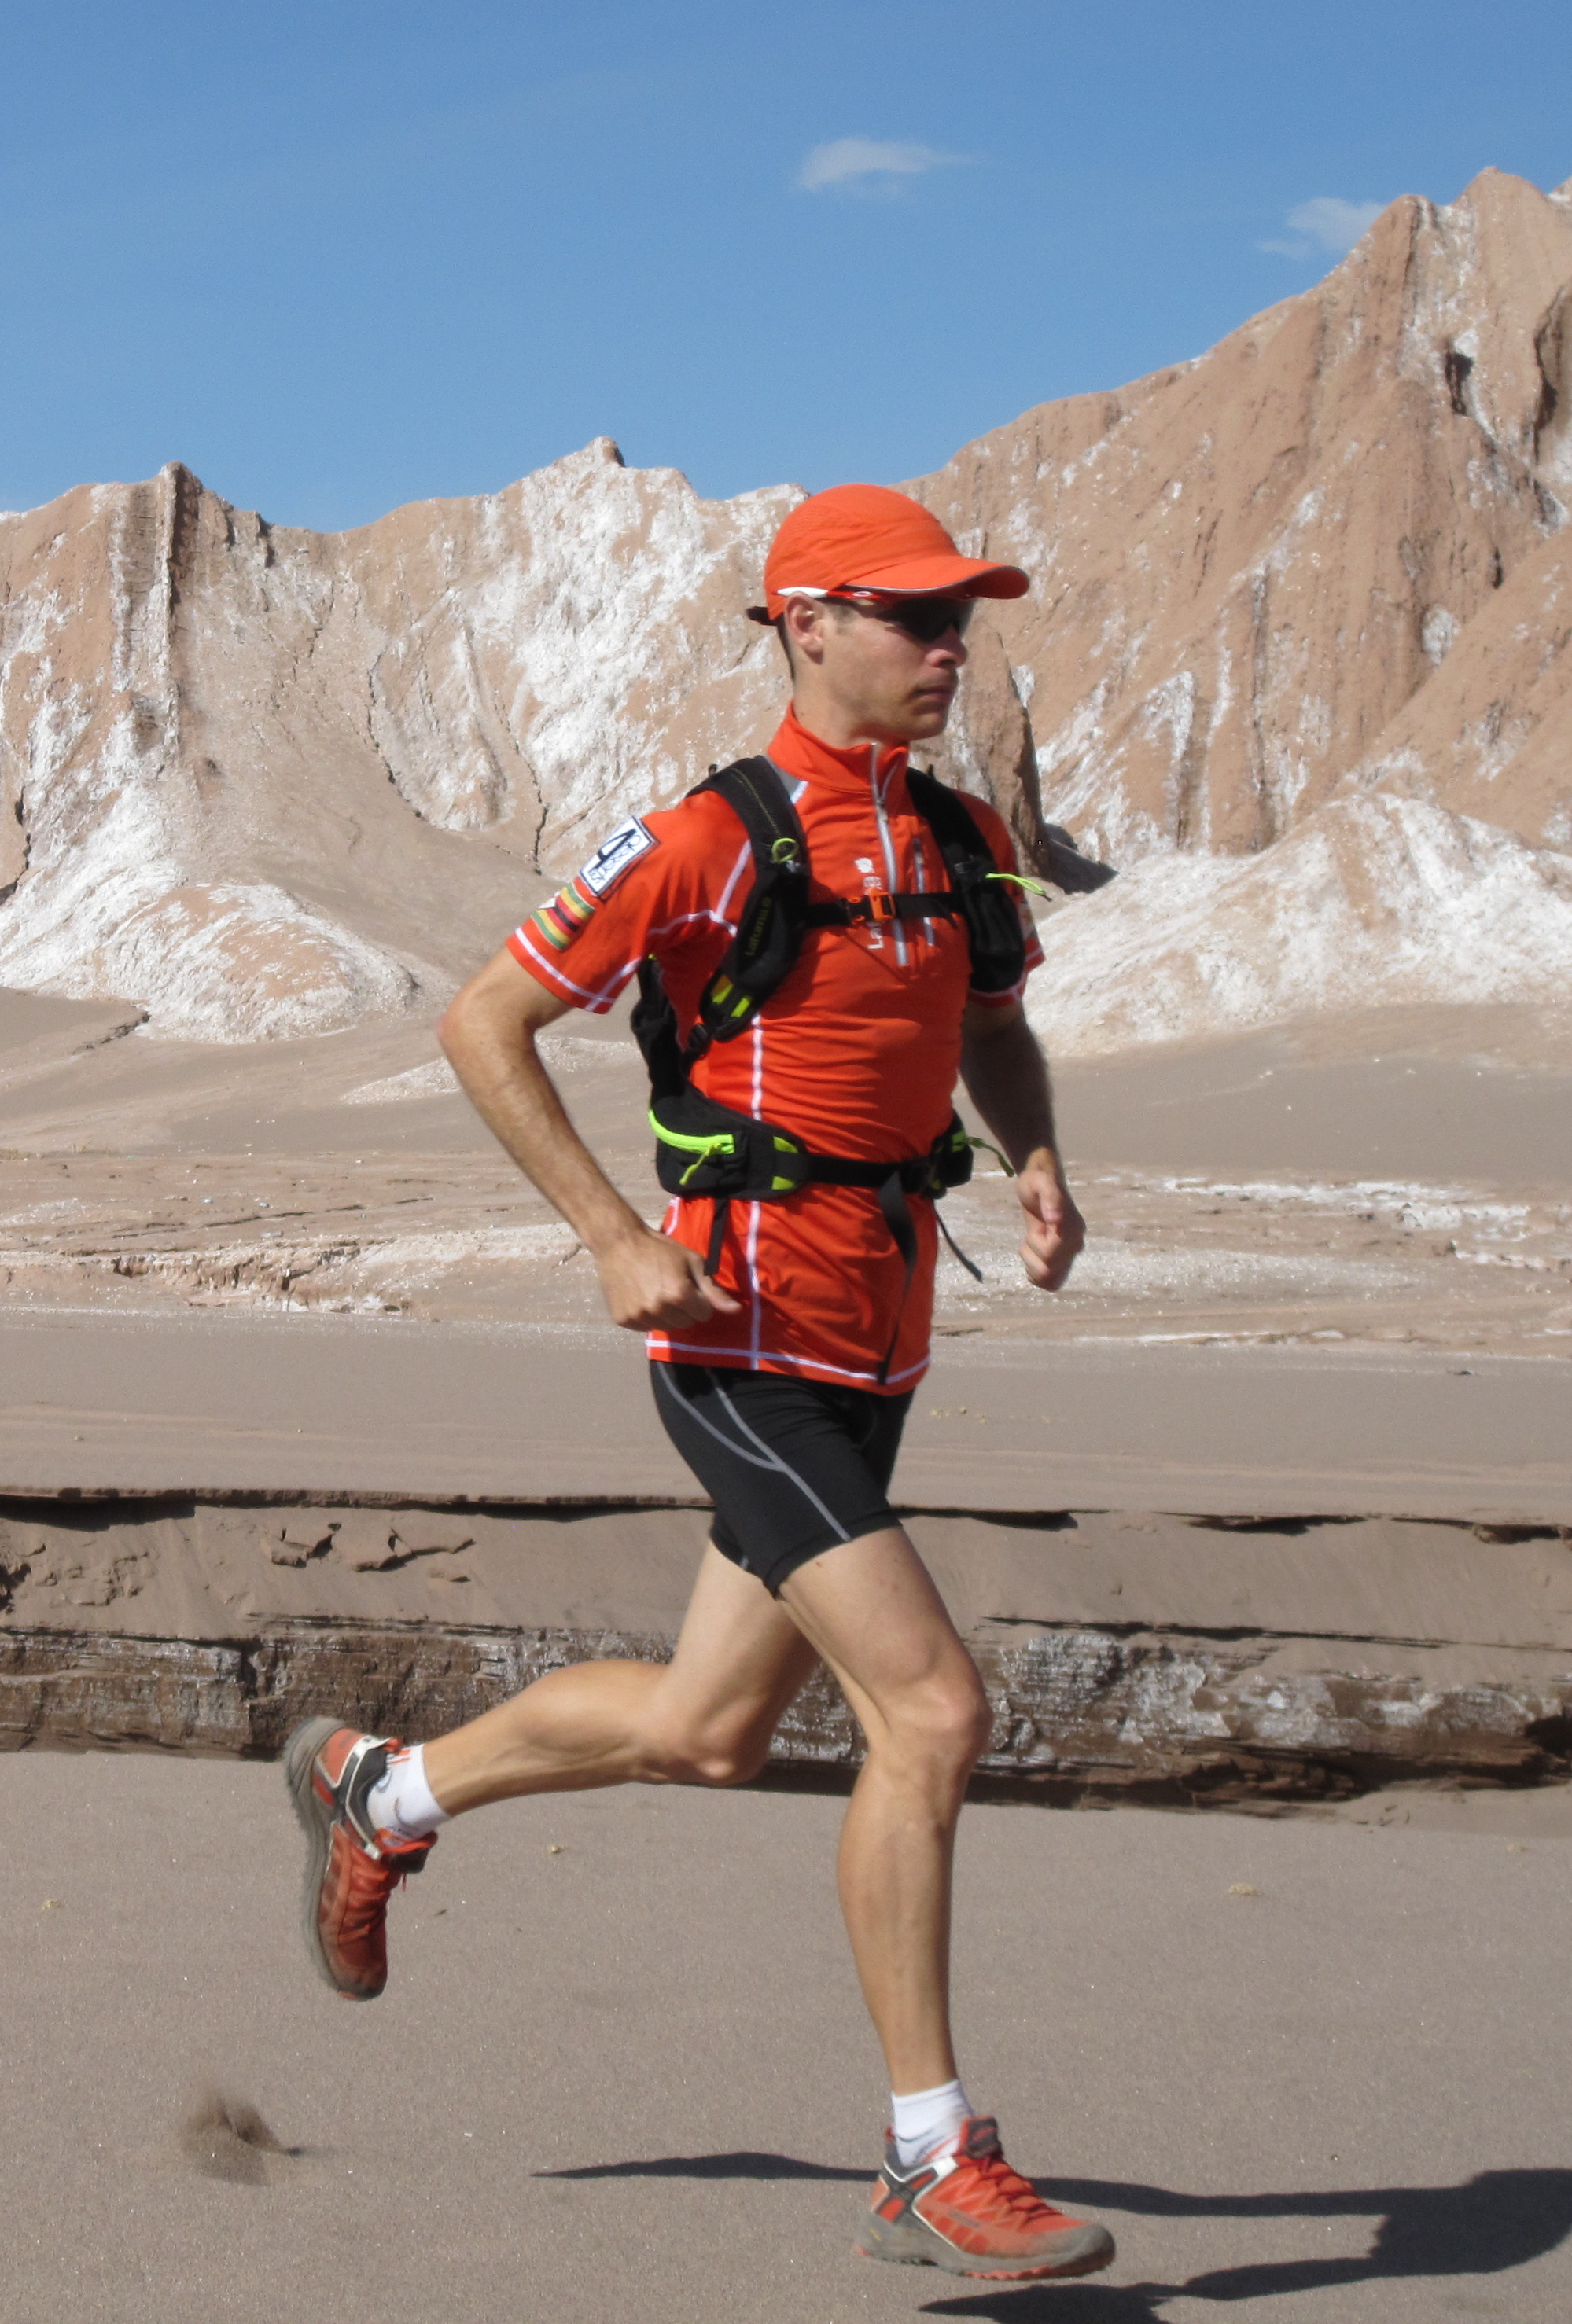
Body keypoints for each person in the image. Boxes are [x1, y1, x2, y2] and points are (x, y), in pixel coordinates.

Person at [278, 484, 1112, 2283]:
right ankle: (926, 2153)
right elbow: (477, 1024)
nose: (944, 644)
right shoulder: (705, 841)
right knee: (931, 1713)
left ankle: (382, 1797)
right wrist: (603, 1232)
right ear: (802, 623)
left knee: (708, 1732)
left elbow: (987, 1023)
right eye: (908, 616)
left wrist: (1031, 1158)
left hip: (879, 1340)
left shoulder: (961, 836)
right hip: (739, 1347)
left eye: (958, 613)